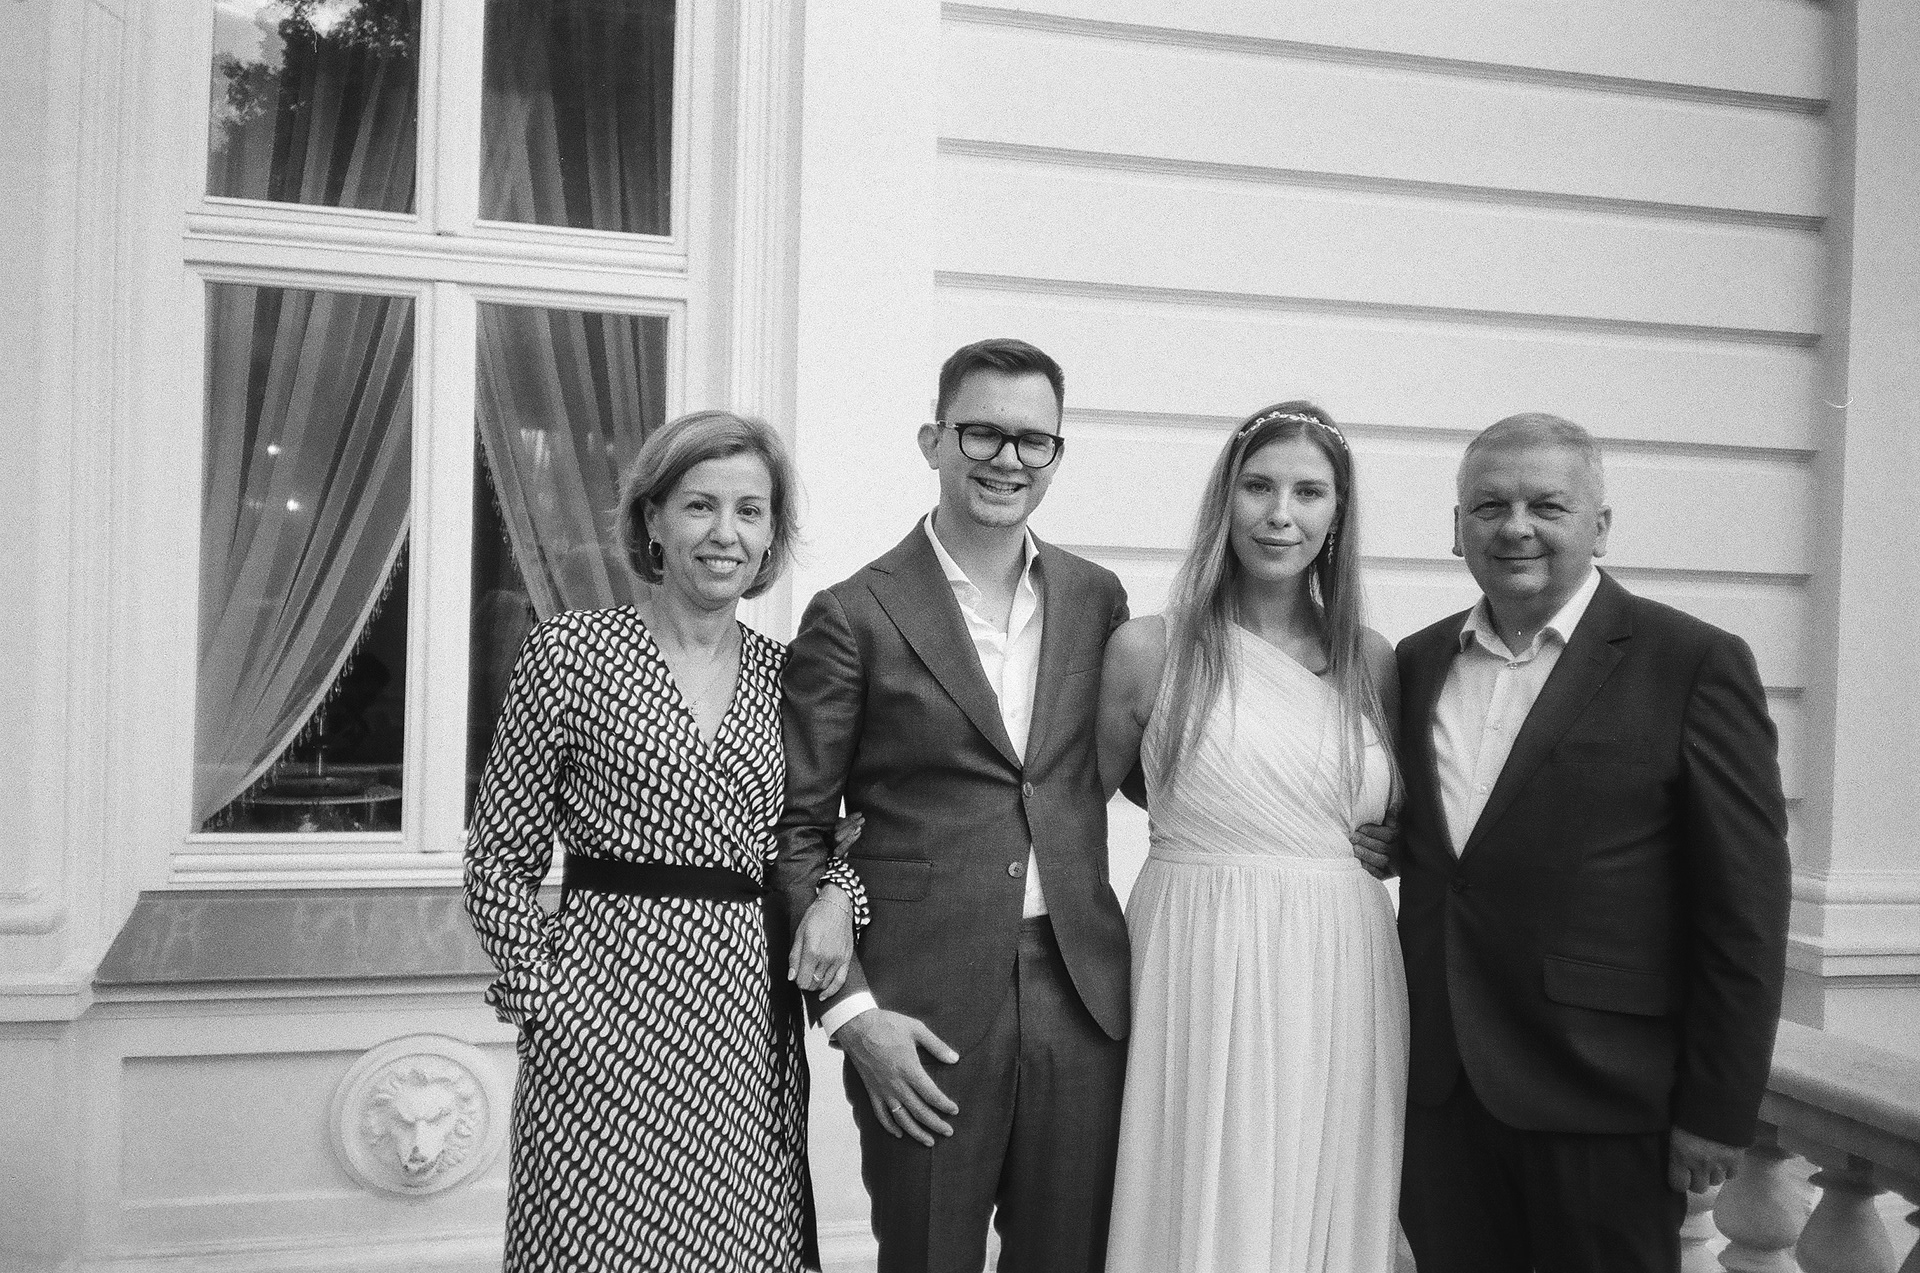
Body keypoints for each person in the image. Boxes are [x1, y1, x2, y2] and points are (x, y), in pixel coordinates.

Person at [464, 410, 868, 1273]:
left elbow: (843, 834)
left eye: (750, 511)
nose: (726, 533)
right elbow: (496, 858)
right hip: (598, 1018)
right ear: (652, 518)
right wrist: (547, 1001)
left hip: (741, 1028)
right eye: (699, 505)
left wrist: (839, 894)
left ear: (771, 535)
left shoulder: (791, 675)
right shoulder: (569, 655)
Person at [1387, 413, 1791, 1273]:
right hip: (1442, 1093)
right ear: (1456, 526)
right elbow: (1439, 850)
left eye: (1547, 505)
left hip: (1605, 1100)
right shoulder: (1414, 664)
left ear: (1600, 525)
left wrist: (1718, 1108)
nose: (1515, 527)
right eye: (1489, 505)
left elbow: (1745, 912)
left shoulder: (1692, 663)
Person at [775, 338, 1132, 1273]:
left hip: (1081, 993)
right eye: (981, 433)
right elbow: (796, 829)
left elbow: (1142, 763)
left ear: (1056, 455)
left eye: (1032, 440)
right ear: (933, 440)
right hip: (919, 1009)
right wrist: (854, 1015)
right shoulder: (854, 613)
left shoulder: (1098, 599)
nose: (1007, 458)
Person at [1096, 401, 1408, 1272]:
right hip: (1198, 947)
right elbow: (1069, 810)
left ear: (1338, 513)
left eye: (1309, 492)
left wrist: (1398, 847)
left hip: (1342, 962)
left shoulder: (1372, 659)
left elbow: (1410, 816)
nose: (1280, 514)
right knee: (1205, 1179)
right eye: (1259, 486)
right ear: (1224, 499)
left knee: (1323, 1181)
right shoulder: (1149, 650)